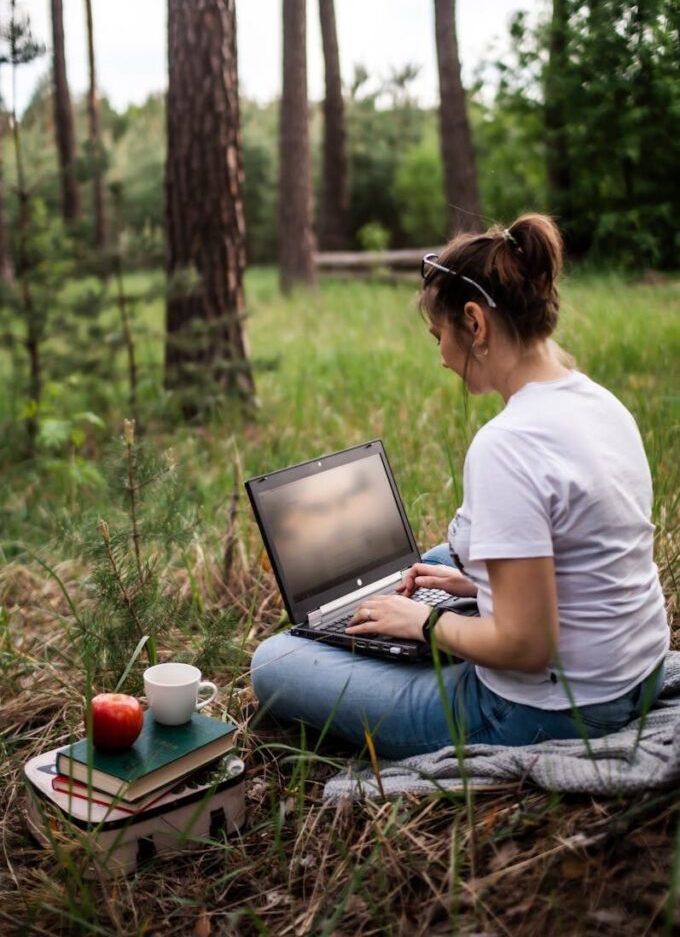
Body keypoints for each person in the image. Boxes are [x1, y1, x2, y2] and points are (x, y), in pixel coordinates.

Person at [251, 214, 669, 759]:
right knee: (427, 563)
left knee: (275, 660)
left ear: (474, 324)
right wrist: (476, 589)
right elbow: (585, 549)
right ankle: (406, 614)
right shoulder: (598, 402)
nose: (441, 354)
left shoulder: (508, 445)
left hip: (550, 710)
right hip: (638, 673)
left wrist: (425, 622)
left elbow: (527, 646)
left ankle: (393, 631)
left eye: (438, 335)